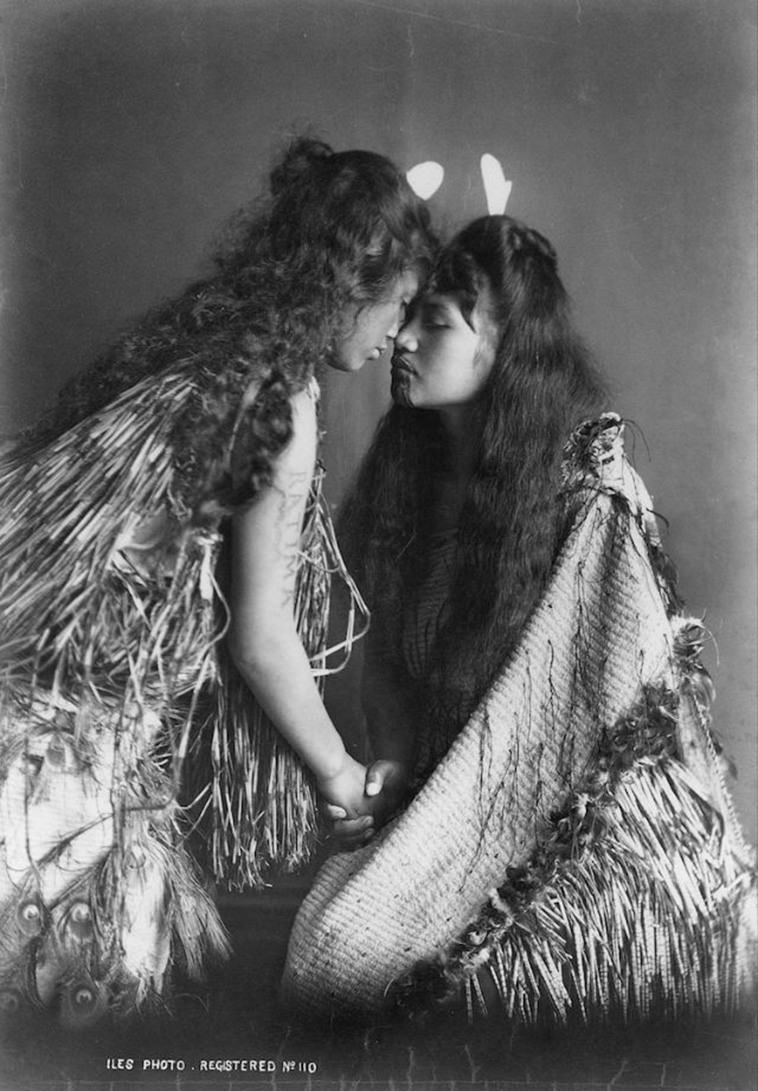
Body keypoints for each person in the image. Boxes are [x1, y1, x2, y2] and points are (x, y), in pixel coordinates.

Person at [0, 137, 434, 1028]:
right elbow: (260, 634)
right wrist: (343, 775)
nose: (397, 331)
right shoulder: (283, 404)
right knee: (76, 1001)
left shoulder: (211, 353)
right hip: (63, 752)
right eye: (396, 305)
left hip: (34, 719)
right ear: (348, 286)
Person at [282, 214, 756, 1027]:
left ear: (505, 348)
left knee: (348, 957)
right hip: (445, 803)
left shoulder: (590, 492)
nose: (400, 339)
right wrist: (393, 759)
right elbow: (388, 662)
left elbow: (592, 712)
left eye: (435, 322)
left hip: (574, 826)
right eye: (406, 315)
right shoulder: (410, 476)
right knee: (325, 947)